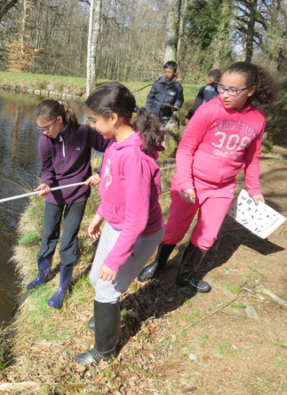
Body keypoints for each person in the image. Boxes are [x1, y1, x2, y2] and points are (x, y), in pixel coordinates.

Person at [138, 62, 279, 292]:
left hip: (222, 189)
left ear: (251, 90)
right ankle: (159, 264)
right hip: (191, 182)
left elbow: (252, 158)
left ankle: (184, 275)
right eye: (223, 87)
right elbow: (184, 150)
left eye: (234, 90)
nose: (225, 94)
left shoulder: (257, 119)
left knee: (207, 235)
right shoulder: (208, 110)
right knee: (175, 228)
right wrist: (185, 183)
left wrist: (254, 189)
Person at [74, 82, 165, 365]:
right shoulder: (115, 145)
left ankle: (104, 352)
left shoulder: (134, 157)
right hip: (117, 225)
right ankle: (106, 315)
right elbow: (113, 186)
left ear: (113, 118)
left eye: (93, 120)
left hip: (137, 234)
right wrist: (101, 213)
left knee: (106, 287)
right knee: (95, 279)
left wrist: (115, 260)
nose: (92, 126)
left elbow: (137, 219)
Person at [28, 99, 109, 309]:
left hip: (78, 194)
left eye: (46, 127)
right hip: (54, 195)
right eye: (40, 128)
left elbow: (111, 147)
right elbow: (47, 170)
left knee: (68, 239)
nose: (44, 132)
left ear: (59, 120)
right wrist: (45, 183)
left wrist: (100, 173)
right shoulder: (44, 141)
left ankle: (62, 288)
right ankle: (43, 275)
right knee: (48, 235)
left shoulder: (84, 132)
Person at [145, 61, 184, 125]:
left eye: (170, 72)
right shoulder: (157, 83)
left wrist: (176, 106)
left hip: (166, 118)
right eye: (165, 72)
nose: (167, 74)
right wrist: (148, 112)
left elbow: (179, 100)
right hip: (152, 115)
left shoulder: (178, 87)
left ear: (175, 72)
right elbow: (150, 98)